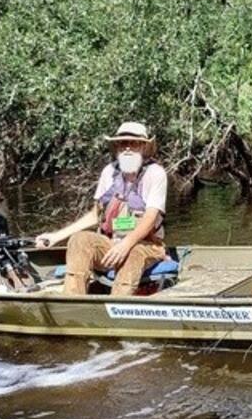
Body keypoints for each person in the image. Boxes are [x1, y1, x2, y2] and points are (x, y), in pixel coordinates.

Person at [34, 121, 170, 296]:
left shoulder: (155, 173)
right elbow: (94, 215)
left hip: (146, 245)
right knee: (80, 240)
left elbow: (150, 219)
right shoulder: (109, 172)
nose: (127, 148)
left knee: (132, 253)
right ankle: (72, 302)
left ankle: (117, 307)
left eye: (133, 143)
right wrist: (55, 237)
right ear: (117, 147)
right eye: (122, 143)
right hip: (111, 243)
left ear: (144, 147)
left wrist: (126, 244)